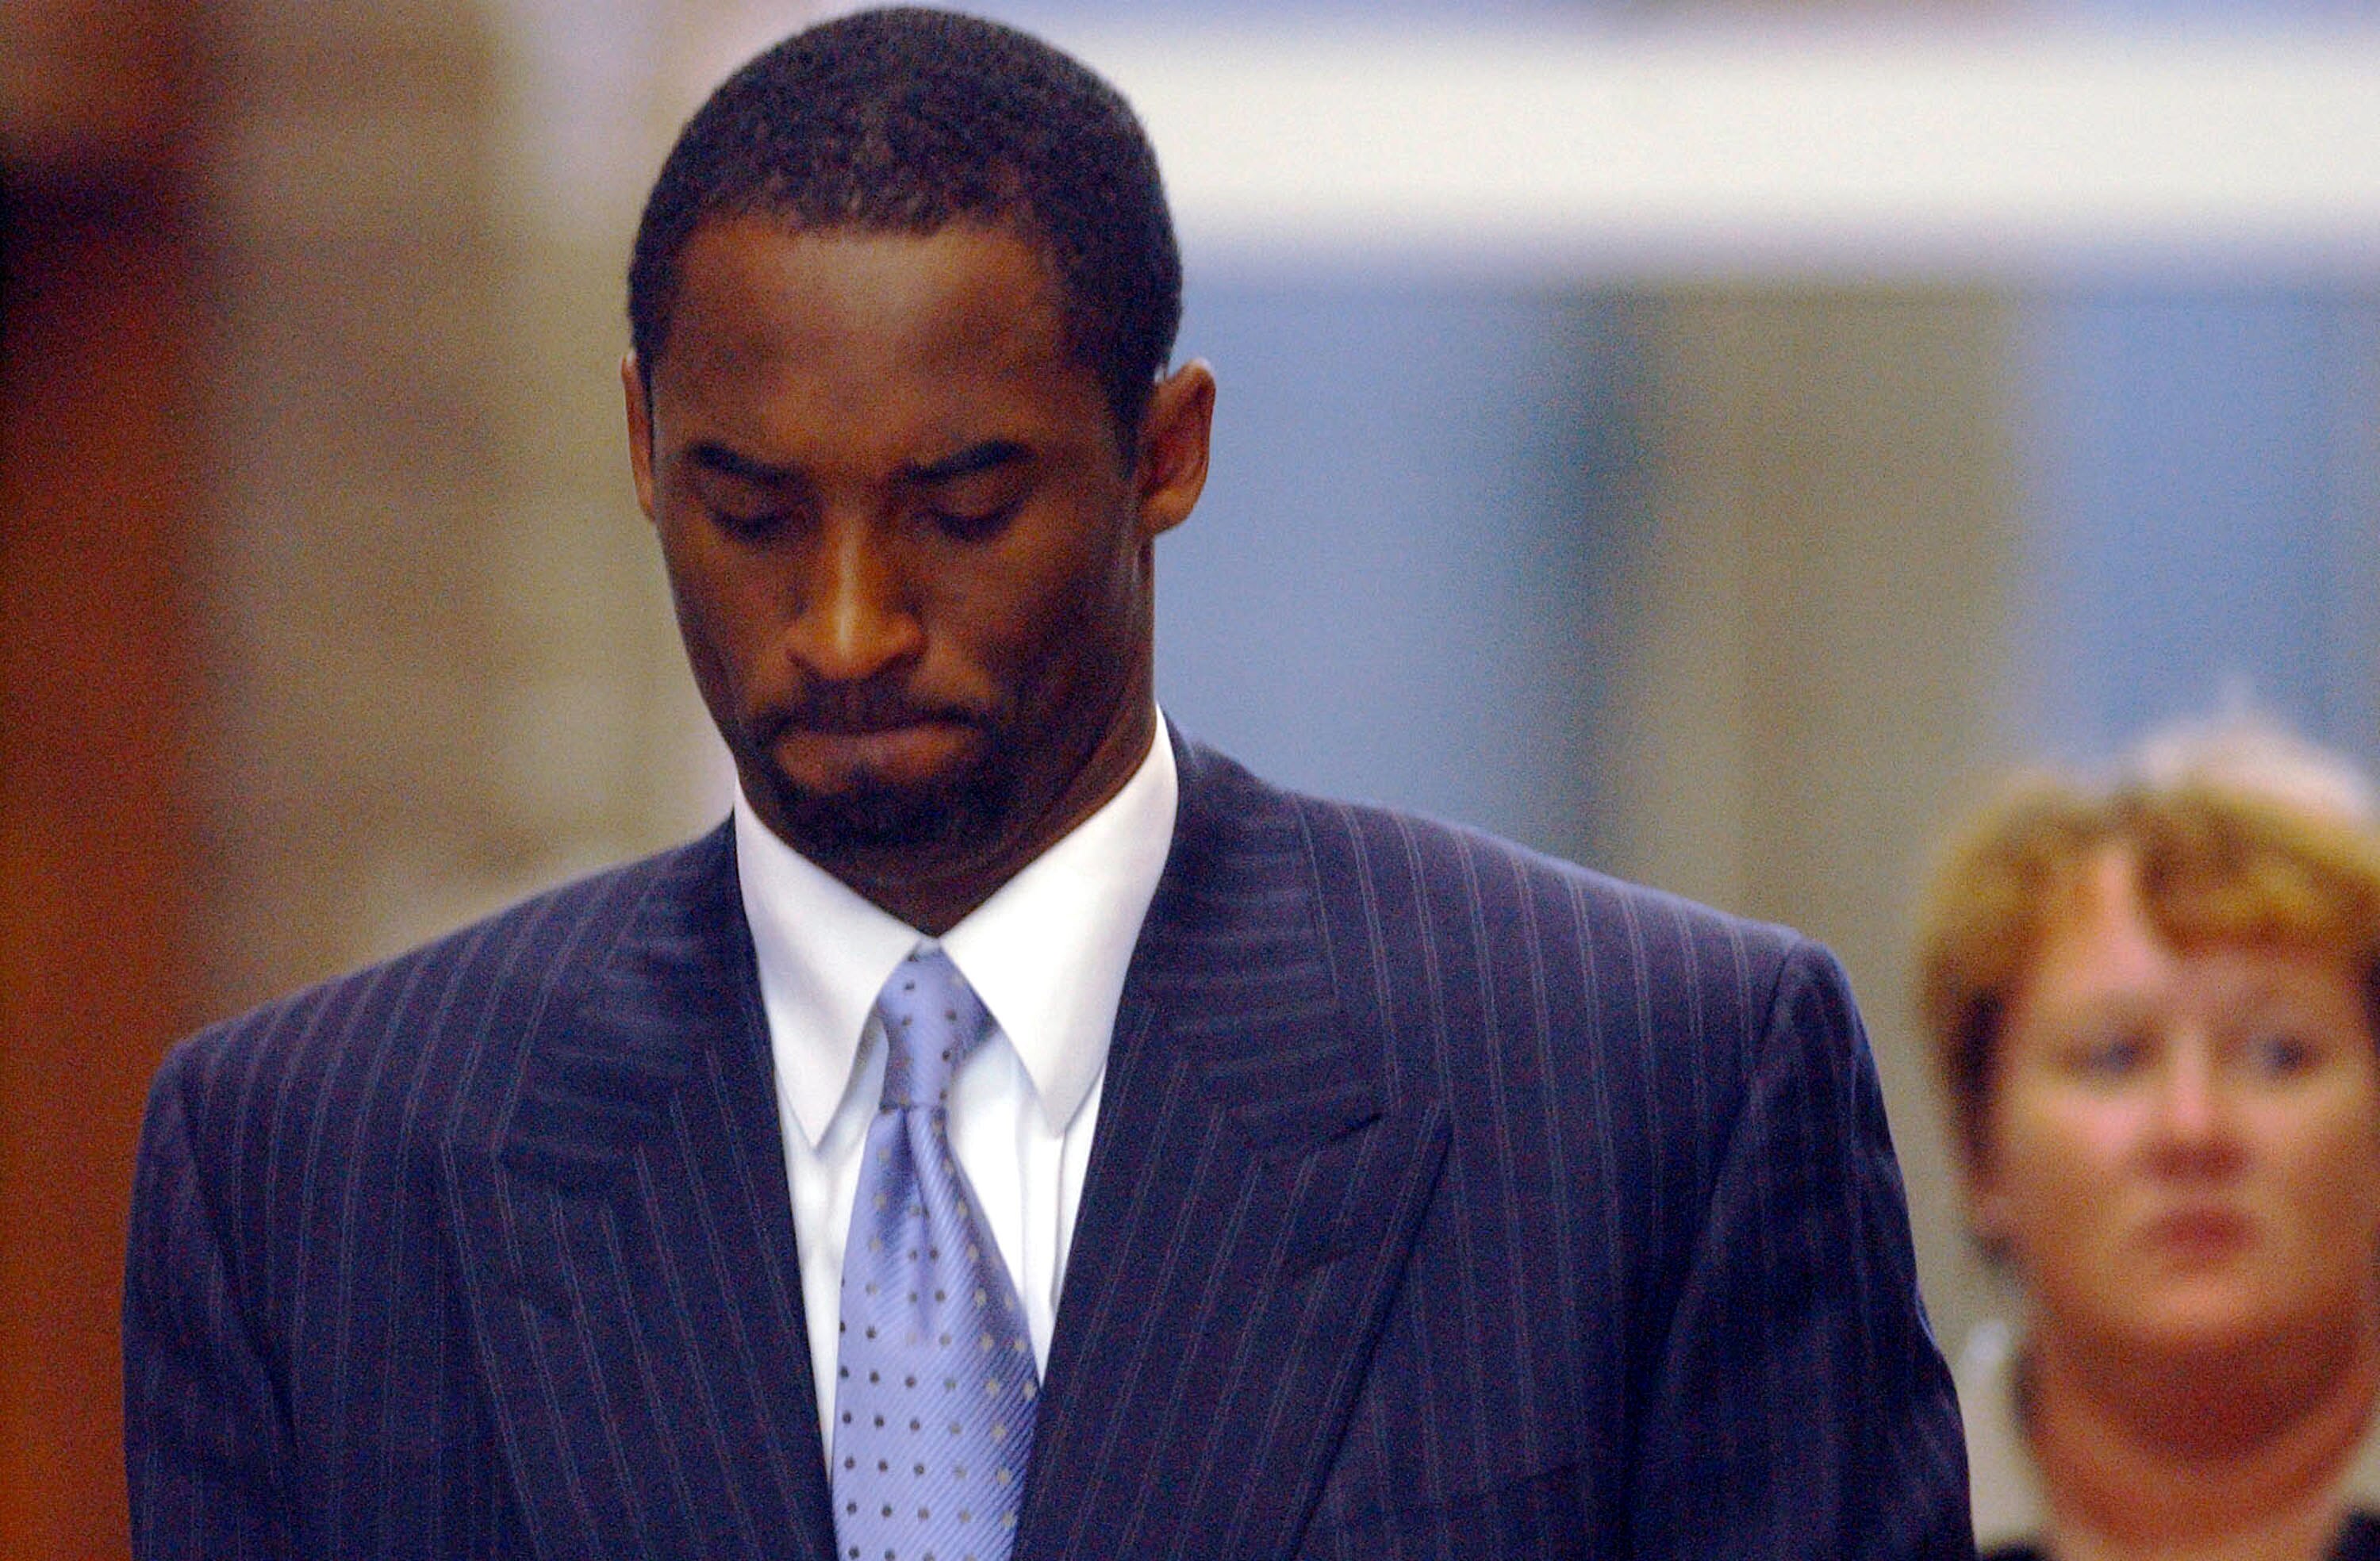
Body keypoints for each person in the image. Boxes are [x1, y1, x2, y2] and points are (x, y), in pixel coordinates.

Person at [123, 9, 1967, 1557]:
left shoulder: (1640, 1091)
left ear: (1165, 453)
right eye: (749, 511)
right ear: (637, 446)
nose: (845, 627)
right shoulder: (320, 1168)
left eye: (962, 506)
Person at [1917, 715, 2380, 1561]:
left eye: (2277, 1055)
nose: (2192, 1129)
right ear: (1980, 1152)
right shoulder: (1846, 1514)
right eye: (2113, 1057)